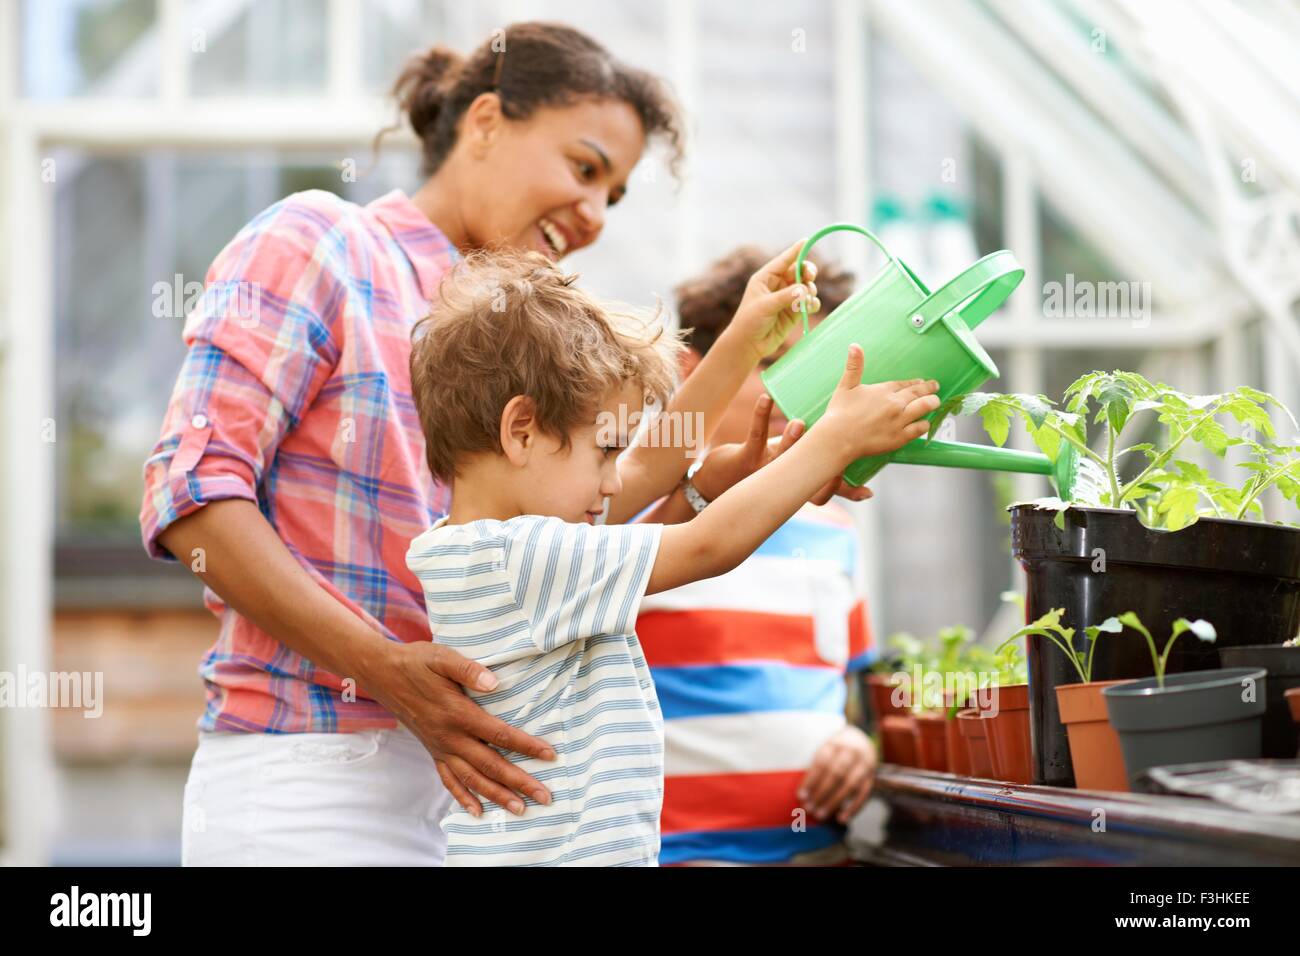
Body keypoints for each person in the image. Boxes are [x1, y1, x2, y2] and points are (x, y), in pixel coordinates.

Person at [140, 22, 824, 866]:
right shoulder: (322, 243)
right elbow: (193, 497)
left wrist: (715, 459)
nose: (594, 214)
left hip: (473, 791)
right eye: (584, 168)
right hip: (311, 771)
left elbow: (568, 525)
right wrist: (387, 669)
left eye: (613, 196)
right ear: (488, 122)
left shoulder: (525, 331)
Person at [405, 249, 940, 865]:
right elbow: (709, 546)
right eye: (604, 450)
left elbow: (654, 461)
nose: (614, 482)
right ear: (521, 431)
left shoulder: (493, 536)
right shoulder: (522, 555)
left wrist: (741, 341)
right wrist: (832, 440)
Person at [637, 247, 878, 866]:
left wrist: (858, 744)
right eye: (771, 363)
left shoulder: (837, 529)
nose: (799, 392)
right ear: (697, 371)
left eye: (819, 367)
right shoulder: (640, 519)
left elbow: (848, 695)